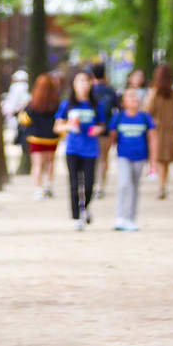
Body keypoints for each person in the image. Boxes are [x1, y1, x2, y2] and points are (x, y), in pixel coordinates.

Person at [55, 70, 104, 228]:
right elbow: (57, 127)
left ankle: (85, 207)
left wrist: (98, 130)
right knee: (74, 183)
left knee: (89, 184)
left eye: (86, 81)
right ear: (74, 84)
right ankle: (76, 216)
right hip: (73, 149)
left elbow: (102, 125)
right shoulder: (67, 104)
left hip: (90, 149)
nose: (83, 84)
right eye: (80, 81)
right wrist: (68, 126)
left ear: (91, 84)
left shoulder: (96, 105)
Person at [111, 84, 155, 231]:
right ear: (123, 101)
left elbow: (152, 139)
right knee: (124, 184)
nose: (134, 99)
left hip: (140, 157)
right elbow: (112, 138)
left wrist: (152, 163)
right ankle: (120, 217)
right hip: (123, 156)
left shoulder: (145, 117)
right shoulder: (118, 118)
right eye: (130, 96)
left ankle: (130, 218)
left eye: (136, 96)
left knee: (134, 187)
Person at [17, 72, 61, 199]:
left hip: (35, 138)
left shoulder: (32, 104)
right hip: (52, 137)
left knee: (37, 164)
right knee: (50, 162)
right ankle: (49, 186)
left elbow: (24, 120)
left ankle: (38, 189)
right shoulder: (56, 103)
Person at [146, 64, 173, 200]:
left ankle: (161, 185)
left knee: (161, 159)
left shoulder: (155, 94)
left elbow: (147, 111)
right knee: (164, 159)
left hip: (159, 130)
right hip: (169, 130)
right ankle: (162, 184)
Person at [90, 61, 118, 199]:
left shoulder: (89, 90)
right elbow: (117, 109)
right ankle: (101, 186)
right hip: (106, 128)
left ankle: (94, 184)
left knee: (93, 158)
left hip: (90, 129)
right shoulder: (110, 90)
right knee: (104, 158)